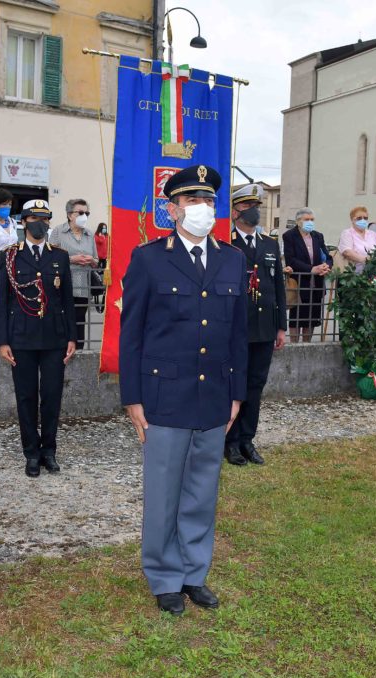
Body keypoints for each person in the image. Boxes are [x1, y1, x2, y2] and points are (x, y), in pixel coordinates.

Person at [119, 163, 248, 616]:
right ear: (172, 209)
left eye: (209, 200)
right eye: (193, 200)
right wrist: (132, 398)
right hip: (164, 396)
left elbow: (238, 334)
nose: (203, 208)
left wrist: (237, 393)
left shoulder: (232, 259)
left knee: (201, 490)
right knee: (163, 492)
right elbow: (131, 334)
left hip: (214, 394)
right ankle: (164, 575)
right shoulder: (149, 258)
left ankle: (194, 572)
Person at [0, 199, 77, 477]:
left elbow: (67, 300)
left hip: (54, 337)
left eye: (45, 219)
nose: (40, 224)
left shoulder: (60, 256)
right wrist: (2, 341)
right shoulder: (10, 256)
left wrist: (72, 337)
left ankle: (49, 451)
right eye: (34, 219)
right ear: (24, 222)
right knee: (26, 397)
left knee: (52, 397)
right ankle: (31, 453)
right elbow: (2, 302)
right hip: (21, 338)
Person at [225, 183, 287, 467]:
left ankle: (248, 440)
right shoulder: (225, 243)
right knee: (234, 384)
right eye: (248, 206)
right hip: (236, 328)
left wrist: (281, 326)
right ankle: (231, 441)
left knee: (255, 385)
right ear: (235, 211)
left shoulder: (270, 244)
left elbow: (279, 287)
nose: (254, 211)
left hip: (264, 327)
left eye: (256, 207)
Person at [49, 199, 99, 349]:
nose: (84, 216)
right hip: (62, 286)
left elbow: (97, 260)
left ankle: (79, 353)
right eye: (81, 213)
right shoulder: (58, 232)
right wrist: (71, 259)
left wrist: (91, 260)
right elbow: (50, 258)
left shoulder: (89, 234)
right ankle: (60, 353)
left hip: (83, 287)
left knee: (79, 322)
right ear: (70, 215)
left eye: (87, 213)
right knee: (62, 321)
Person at [282, 208, 332, 342]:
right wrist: (311, 269)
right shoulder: (289, 236)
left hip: (316, 284)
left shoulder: (318, 236)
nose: (310, 222)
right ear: (298, 221)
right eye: (307, 219)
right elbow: (291, 260)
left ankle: (307, 344)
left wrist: (326, 266)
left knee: (311, 319)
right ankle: (294, 346)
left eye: (312, 219)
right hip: (299, 284)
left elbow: (327, 256)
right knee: (297, 319)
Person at [338, 206, 376, 274]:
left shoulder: (372, 234)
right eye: (359, 218)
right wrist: (367, 261)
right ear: (352, 219)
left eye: (365, 218)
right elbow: (347, 252)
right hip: (354, 275)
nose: (363, 220)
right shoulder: (347, 233)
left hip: (374, 273)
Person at [93, 223, 108, 313]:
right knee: (97, 276)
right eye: (103, 228)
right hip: (98, 259)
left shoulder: (107, 236)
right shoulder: (97, 236)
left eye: (105, 228)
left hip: (105, 259)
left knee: (105, 276)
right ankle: (97, 291)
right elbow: (100, 242)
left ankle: (104, 292)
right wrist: (101, 236)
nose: (104, 229)